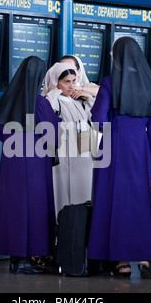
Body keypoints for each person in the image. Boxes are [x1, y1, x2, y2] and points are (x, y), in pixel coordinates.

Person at [87, 37, 151, 278]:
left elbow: (98, 120)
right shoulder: (150, 86)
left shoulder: (109, 83)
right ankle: (144, 258)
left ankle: (121, 262)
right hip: (140, 150)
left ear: (117, 57)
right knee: (140, 203)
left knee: (114, 203)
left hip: (113, 146)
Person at [0, 56, 61, 274]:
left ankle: (15, 258)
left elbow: (1, 132)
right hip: (37, 161)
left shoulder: (7, 99)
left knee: (13, 207)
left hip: (11, 163)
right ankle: (30, 258)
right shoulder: (40, 103)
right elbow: (53, 136)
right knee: (36, 207)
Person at [42, 62, 95, 217]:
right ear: (55, 82)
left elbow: (96, 119)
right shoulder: (51, 100)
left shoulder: (78, 101)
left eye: (73, 81)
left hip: (83, 157)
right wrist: (53, 92)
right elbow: (47, 116)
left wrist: (89, 97)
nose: (72, 86)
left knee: (84, 196)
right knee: (64, 198)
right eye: (67, 82)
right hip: (64, 159)